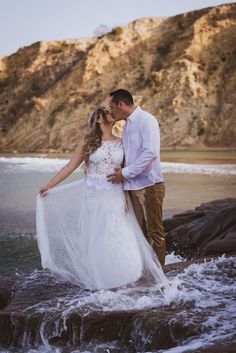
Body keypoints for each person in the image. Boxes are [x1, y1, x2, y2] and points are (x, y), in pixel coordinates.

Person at [36, 106, 167, 291]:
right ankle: (103, 277)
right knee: (98, 235)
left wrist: (135, 193)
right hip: (93, 195)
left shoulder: (123, 142)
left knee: (118, 232)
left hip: (115, 194)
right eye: (106, 112)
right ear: (98, 120)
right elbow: (69, 167)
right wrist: (49, 185)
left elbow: (130, 169)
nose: (111, 113)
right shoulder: (87, 143)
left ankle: (128, 273)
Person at [107, 89, 166, 266]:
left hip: (150, 185)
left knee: (154, 231)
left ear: (121, 105)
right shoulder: (127, 125)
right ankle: (146, 270)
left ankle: (159, 274)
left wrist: (124, 173)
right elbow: (130, 154)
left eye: (112, 107)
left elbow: (151, 152)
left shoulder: (146, 120)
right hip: (132, 186)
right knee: (140, 233)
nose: (111, 111)